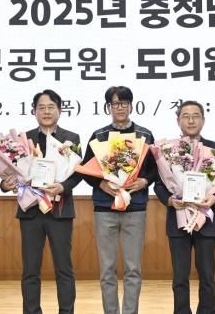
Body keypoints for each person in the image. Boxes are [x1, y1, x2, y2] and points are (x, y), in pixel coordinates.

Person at [1, 89, 81, 314]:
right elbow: (8, 175)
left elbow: (78, 173)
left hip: (60, 211)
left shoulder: (71, 138)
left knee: (64, 269)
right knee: (30, 270)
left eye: (51, 107)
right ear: (34, 111)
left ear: (60, 110)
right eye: (42, 108)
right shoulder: (22, 140)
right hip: (31, 212)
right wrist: (6, 185)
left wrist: (63, 187)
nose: (46, 112)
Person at [80, 85, 158, 314]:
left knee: (133, 269)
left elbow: (156, 169)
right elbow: (85, 169)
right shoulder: (99, 136)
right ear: (108, 107)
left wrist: (145, 181)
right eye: (115, 103)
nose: (120, 108)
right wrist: (100, 184)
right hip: (105, 208)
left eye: (124, 103)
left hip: (136, 207)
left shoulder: (145, 135)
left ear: (131, 105)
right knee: (107, 269)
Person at [154, 101, 215, 314]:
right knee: (180, 276)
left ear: (203, 120)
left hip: (206, 219)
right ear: (178, 121)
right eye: (186, 116)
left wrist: (214, 198)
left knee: (207, 275)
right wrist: (170, 200)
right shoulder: (167, 151)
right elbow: (159, 185)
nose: (191, 120)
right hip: (178, 218)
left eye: (195, 116)